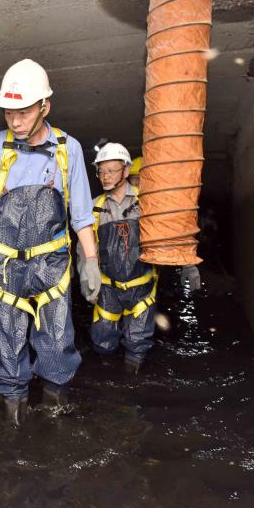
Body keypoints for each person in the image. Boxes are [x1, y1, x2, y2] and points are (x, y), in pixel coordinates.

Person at [0, 59, 101, 425]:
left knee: (55, 340)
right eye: (8, 113)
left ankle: (54, 415)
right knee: (9, 341)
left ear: (44, 107)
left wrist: (92, 260)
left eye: (23, 112)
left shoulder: (69, 149)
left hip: (52, 265)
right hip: (5, 265)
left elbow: (81, 212)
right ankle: (13, 419)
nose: (15, 121)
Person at [79, 143, 157, 374]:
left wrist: (187, 267)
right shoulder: (94, 208)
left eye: (112, 170)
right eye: (101, 171)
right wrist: (85, 278)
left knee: (138, 341)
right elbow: (84, 249)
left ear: (126, 171)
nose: (105, 176)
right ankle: (107, 383)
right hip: (108, 288)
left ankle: (132, 383)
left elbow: (168, 235)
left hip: (142, 287)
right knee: (103, 340)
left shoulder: (148, 203)